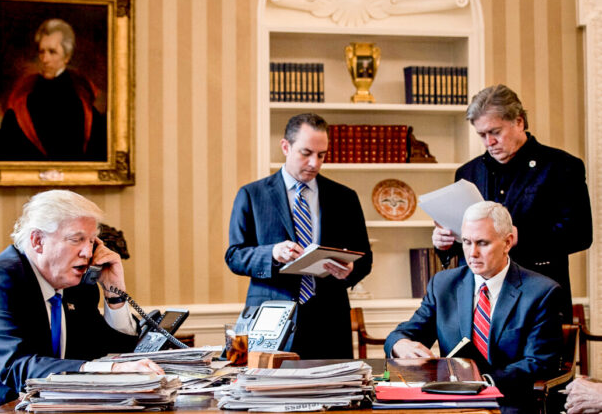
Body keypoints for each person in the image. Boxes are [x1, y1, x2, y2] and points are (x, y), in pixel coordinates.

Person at [0, 190, 163, 413]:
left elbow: (110, 355)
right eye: (76, 239)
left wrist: (115, 296)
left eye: (91, 241)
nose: (88, 253)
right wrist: (108, 370)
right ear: (37, 241)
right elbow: (16, 367)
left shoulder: (78, 288)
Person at [432, 84, 592, 322]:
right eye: (482, 135)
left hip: (539, 299)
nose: (489, 142)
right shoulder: (467, 173)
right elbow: (465, 242)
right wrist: (444, 243)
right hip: (479, 304)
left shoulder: (562, 166)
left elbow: (580, 233)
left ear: (519, 122)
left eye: (495, 132)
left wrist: (521, 236)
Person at [387, 201, 564, 410]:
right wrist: (399, 344)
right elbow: (404, 333)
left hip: (508, 403)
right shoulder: (443, 284)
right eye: (467, 242)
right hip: (449, 404)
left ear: (507, 243)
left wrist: (480, 381)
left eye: (482, 243)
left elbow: (538, 363)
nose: (472, 253)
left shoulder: (542, 292)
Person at [225, 113, 373, 359]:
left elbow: (364, 259)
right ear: (286, 146)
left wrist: (350, 271)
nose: (315, 163)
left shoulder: (345, 198)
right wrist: (272, 253)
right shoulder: (252, 194)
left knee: (334, 393)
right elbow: (234, 256)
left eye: (322, 155)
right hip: (270, 320)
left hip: (330, 321)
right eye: (306, 153)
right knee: (268, 394)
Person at [0, 18, 107, 161]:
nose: (44, 59)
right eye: (41, 52)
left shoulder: (82, 94)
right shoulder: (25, 92)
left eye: (52, 52)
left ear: (67, 57)